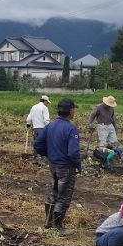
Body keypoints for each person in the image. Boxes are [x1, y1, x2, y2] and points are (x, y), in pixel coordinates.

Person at [33, 98, 81, 235]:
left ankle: (48, 222)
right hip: (66, 167)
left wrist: (47, 154)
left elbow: (37, 144)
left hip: (53, 164)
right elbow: (73, 152)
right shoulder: (71, 128)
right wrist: (78, 165)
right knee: (64, 196)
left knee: (54, 192)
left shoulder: (50, 126)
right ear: (71, 111)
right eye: (74, 109)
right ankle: (58, 227)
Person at [26, 95, 51, 162]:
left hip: (35, 128)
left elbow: (29, 118)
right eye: (47, 102)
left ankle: (36, 158)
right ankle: (44, 159)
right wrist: (50, 128)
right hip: (42, 128)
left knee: (36, 143)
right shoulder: (44, 108)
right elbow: (46, 120)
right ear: (45, 101)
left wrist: (28, 124)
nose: (47, 104)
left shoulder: (33, 107)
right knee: (44, 143)